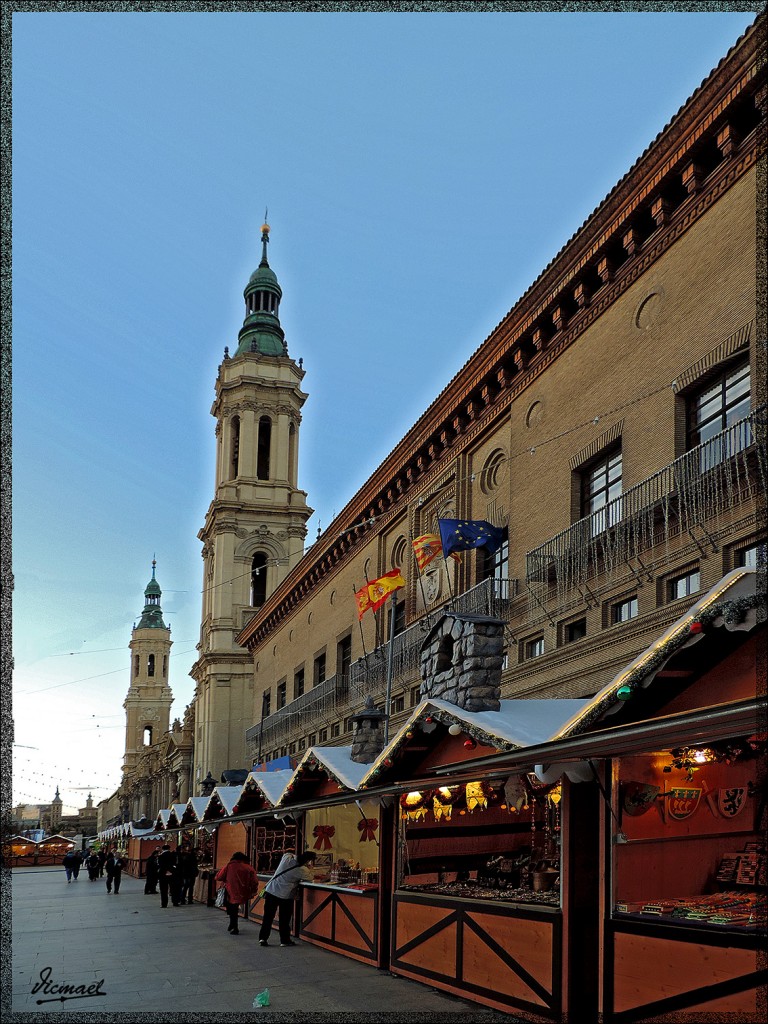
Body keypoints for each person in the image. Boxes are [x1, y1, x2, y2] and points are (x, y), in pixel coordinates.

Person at [258, 850, 316, 947]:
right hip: (285, 895)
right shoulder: (302, 870)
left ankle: (263, 938)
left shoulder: (287, 859)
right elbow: (310, 877)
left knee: (268, 917)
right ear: (308, 861)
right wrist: (310, 868)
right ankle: (284, 940)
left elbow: (287, 853)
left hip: (271, 891)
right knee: (284, 919)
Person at [215, 852, 260, 935]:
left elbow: (218, 877)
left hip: (230, 891)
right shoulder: (248, 867)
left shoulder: (229, 866)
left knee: (232, 908)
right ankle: (233, 924)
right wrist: (253, 890)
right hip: (243, 891)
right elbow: (254, 881)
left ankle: (234, 926)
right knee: (234, 908)